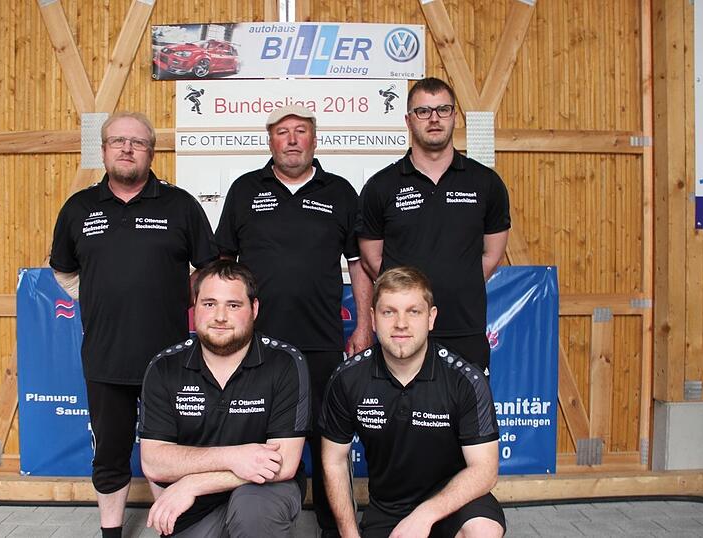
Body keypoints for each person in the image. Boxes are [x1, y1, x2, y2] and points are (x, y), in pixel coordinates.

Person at [49, 111, 217, 537]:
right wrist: (98, 297)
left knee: (172, 451)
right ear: (103, 149)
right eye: (118, 141)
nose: (127, 148)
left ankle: (172, 528)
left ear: (151, 152)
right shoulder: (78, 208)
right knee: (110, 452)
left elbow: (211, 267)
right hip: (105, 357)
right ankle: (112, 532)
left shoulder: (180, 205)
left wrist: (185, 296)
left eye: (137, 142)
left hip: (170, 361)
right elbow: (64, 270)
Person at [214, 104, 373, 536]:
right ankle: (246, 521)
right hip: (254, 345)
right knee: (253, 435)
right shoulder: (245, 189)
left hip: (321, 341)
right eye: (282, 131)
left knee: (326, 438)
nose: (291, 139)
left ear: (314, 138)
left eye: (300, 131)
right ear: (271, 139)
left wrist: (362, 326)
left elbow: (359, 266)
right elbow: (224, 266)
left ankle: (332, 525)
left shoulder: (339, 191)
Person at [321, 266, 505, 538]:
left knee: (482, 530)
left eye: (413, 311)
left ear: (431, 318)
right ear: (373, 319)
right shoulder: (347, 379)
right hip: (387, 509)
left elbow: (485, 470)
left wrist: (425, 514)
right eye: (389, 312)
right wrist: (350, 534)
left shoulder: (464, 379)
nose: (401, 323)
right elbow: (334, 461)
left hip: (455, 501)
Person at [138, 259, 310, 537]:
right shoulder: (164, 367)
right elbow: (154, 462)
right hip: (195, 507)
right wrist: (235, 456)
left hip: (262, 492)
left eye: (233, 305)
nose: (220, 316)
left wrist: (194, 483)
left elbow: (285, 464)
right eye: (209, 304)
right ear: (194, 308)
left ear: (254, 309)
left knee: (252, 510)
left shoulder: (285, 362)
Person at [358, 77, 511, 374]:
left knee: (468, 418)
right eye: (423, 112)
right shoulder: (381, 187)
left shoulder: (486, 183)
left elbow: (492, 256)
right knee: (400, 418)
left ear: (455, 116)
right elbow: (371, 258)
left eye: (442, 109)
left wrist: (458, 280)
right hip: (402, 334)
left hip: (465, 329)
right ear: (408, 120)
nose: (434, 119)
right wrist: (408, 294)